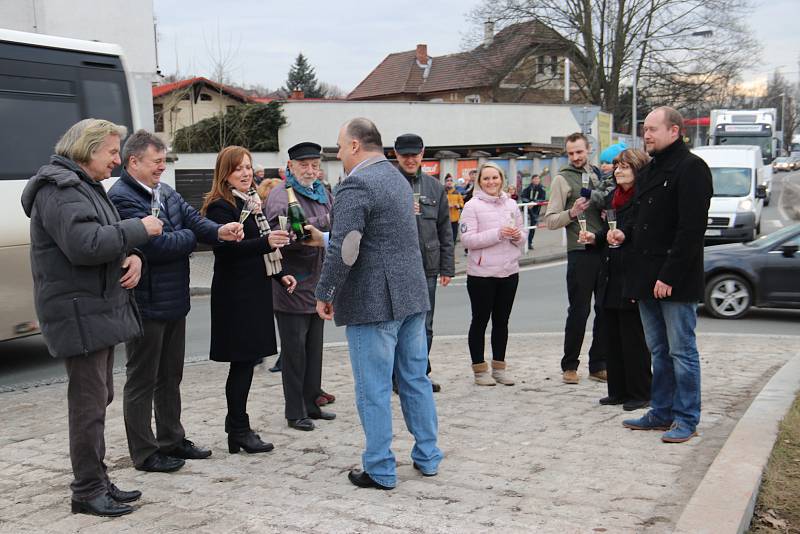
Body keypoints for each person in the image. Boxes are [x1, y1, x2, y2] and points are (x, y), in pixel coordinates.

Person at [21, 119, 163, 517]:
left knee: (99, 397)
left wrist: (129, 255)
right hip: (78, 310)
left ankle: (97, 480)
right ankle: (86, 490)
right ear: (87, 150)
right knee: (87, 405)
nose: (118, 161)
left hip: (92, 308)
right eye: (113, 153)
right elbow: (84, 244)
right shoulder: (61, 190)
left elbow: (103, 238)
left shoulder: (82, 187)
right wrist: (140, 230)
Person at [315, 118, 442, 490]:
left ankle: (380, 468)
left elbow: (347, 247)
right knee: (415, 380)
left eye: (339, 146)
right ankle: (429, 456)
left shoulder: (357, 183)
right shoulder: (396, 179)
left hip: (374, 302)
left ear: (355, 145)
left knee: (373, 387)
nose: (337, 154)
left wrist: (325, 292)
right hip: (412, 294)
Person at [108, 130, 243, 473]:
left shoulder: (165, 192)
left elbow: (195, 221)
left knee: (171, 376)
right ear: (133, 161)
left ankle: (172, 438)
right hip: (145, 302)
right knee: (143, 380)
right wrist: (186, 238)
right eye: (157, 162)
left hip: (174, 300)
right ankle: (144, 451)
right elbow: (155, 247)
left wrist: (219, 231)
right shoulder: (122, 196)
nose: (161, 168)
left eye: (164, 161)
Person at [613, 107, 713, 443]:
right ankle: (662, 411)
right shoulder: (651, 168)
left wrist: (669, 276)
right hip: (644, 277)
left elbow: (690, 230)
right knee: (658, 350)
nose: (647, 135)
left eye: (653, 129)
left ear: (674, 131)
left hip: (675, 280)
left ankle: (686, 417)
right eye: (645, 129)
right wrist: (624, 234)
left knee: (681, 351)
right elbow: (640, 217)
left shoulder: (692, 168)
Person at [201, 146, 296, 454]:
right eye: (238, 168)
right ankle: (239, 429)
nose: (245, 173)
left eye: (248, 167)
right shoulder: (220, 206)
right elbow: (226, 250)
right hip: (235, 295)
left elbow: (260, 247)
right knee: (242, 362)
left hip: (254, 290)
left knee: (248, 360)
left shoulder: (252, 202)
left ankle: (236, 427)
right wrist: (265, 242)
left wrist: (280, 275)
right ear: (225, 173)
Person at [264, 141, 335, 431]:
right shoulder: (282, 195)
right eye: (304, 165)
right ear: (290, 167)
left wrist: (321, 224)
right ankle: (295, 412)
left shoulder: (321, 191)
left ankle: (311, 402)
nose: (310, 170)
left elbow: (324, 227)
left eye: (314, 165)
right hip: (292, 283)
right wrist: (327, 222)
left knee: (314, 350)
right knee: (294, 353)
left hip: (318, 283)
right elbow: (291, 233)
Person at [578, 148, 652, 411]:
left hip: (632, 272)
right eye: (617, 166)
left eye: (625, 167)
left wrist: (623, 236)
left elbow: (638, 235)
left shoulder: (644, 199)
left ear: (638, 169)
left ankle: (640, 392)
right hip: (610, 271)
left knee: (633, 337)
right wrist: (594, 239)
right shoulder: (614, 198)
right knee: (613, 335)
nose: (618, 171)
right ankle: (618, 390)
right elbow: (610, 234)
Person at [544, 133, 608, 385]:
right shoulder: (562, 178)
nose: (575, 157)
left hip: (602, 248)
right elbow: (550, 220)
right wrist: (572, 212)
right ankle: (570, 365)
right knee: (579, 311)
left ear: (588, 149)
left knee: (604, 309)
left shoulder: (599, 175)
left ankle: (599, 364)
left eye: (579, 152)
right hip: (579, 252)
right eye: (571, 153)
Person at [393, 133, 455, 391]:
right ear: (396, 155)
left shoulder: (434, 187)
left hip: (427, 266)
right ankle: (397, 377)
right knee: (397, 326)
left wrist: (447, 267)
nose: (410, 159)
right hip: (396, 266)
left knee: (426, 327)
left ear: (422, 154)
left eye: (414, 154)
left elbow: (445, 230)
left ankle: (419, 375)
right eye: (405, 154)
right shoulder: (389, 184)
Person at [460, 162, 523, 386]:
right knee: (480, 320)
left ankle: (499, 367)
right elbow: (467, 240)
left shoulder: (512, 205)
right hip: (481, 274)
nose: (491, 182)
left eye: (494, 178)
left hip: (509, 271)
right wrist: (497, 233)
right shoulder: (472, 206)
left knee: (502, 322)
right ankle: (479, 369)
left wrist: (516, 236)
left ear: (501, 179)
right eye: (486, 178)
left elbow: (522, 235)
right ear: (479, 182)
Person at [520, 174, 546, 249]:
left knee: (532, 226)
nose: (537, 180)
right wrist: (529, 202)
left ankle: (529, 242)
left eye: (538, 179)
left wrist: (534, 203)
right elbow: (523, 197)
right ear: (532, 180)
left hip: (536, 210)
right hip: (527, 210)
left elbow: (543, 199)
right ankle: (525, 243)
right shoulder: (528, 188)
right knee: (525, 226)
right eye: (535, 179)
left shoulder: (541, 189)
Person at [445, 175, 464, 244]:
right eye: (447, 181)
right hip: (444, 219)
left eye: (451, 181)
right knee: (445, 239)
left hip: (454, 219)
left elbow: (462, 204)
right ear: (445, 182)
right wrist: (446, 206)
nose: (449, 182)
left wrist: (458, 205)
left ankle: (452, 253)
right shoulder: (442, 192)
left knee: (453, 239)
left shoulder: (457, 193)